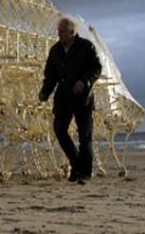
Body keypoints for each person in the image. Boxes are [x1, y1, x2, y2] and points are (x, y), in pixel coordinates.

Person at [39, 17, 101, 184]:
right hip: (63, 98)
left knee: (84, 136)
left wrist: (85, 81)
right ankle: (76, 165)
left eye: (62, 32)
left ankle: (84, 174)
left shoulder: (86, 47)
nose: (59, 35)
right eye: (58, 32)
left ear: (72, 32)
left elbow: (96, 68)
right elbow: (50, 75)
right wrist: (45, 92)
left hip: (83, 98)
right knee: (59, 129)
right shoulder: (55, 50)